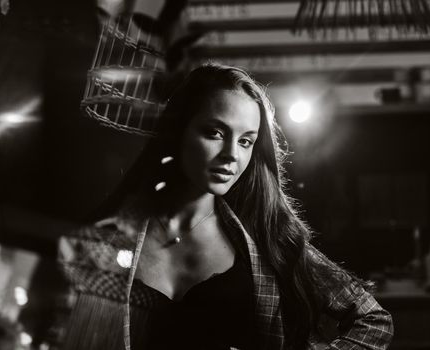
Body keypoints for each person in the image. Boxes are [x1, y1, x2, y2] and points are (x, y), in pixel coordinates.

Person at [58, 63, 393, 350]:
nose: (232, 154)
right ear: (179, 132)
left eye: (246, 140)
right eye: (215, 132)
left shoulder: (267, 238)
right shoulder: (107, 239)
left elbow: (373, 320)